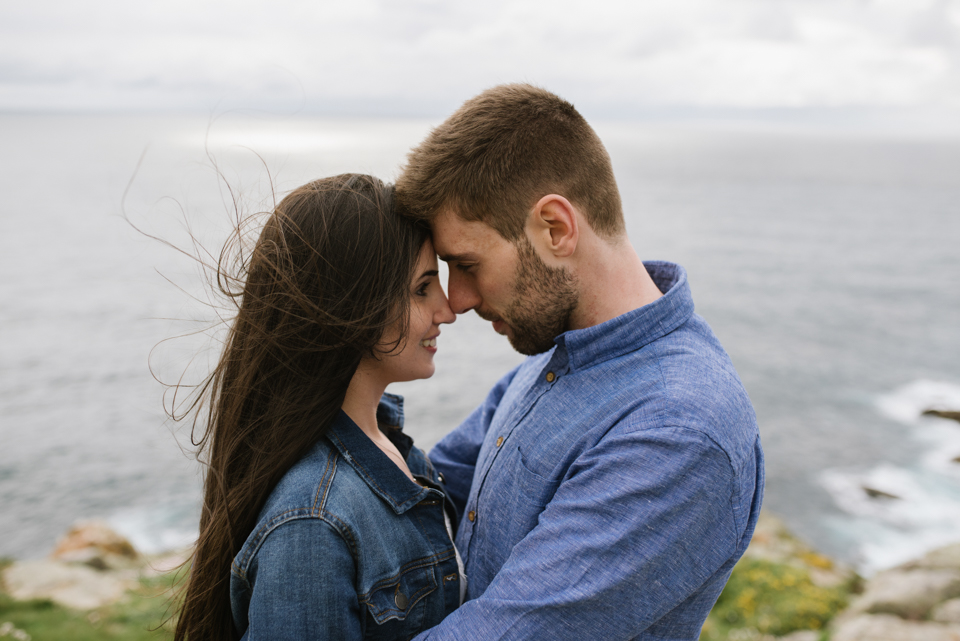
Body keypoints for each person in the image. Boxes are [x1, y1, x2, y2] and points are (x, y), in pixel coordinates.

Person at [395, 84, 765, 640]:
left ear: (555, 229)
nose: (458, 299)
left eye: (466, 264)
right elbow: (423, 492)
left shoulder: (679, 428)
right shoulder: (553, 356)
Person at [172, 174, 461, 641]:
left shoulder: (387, 446)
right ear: (358, 306)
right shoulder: (312, 526)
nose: (447, 310)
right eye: (422, 288)